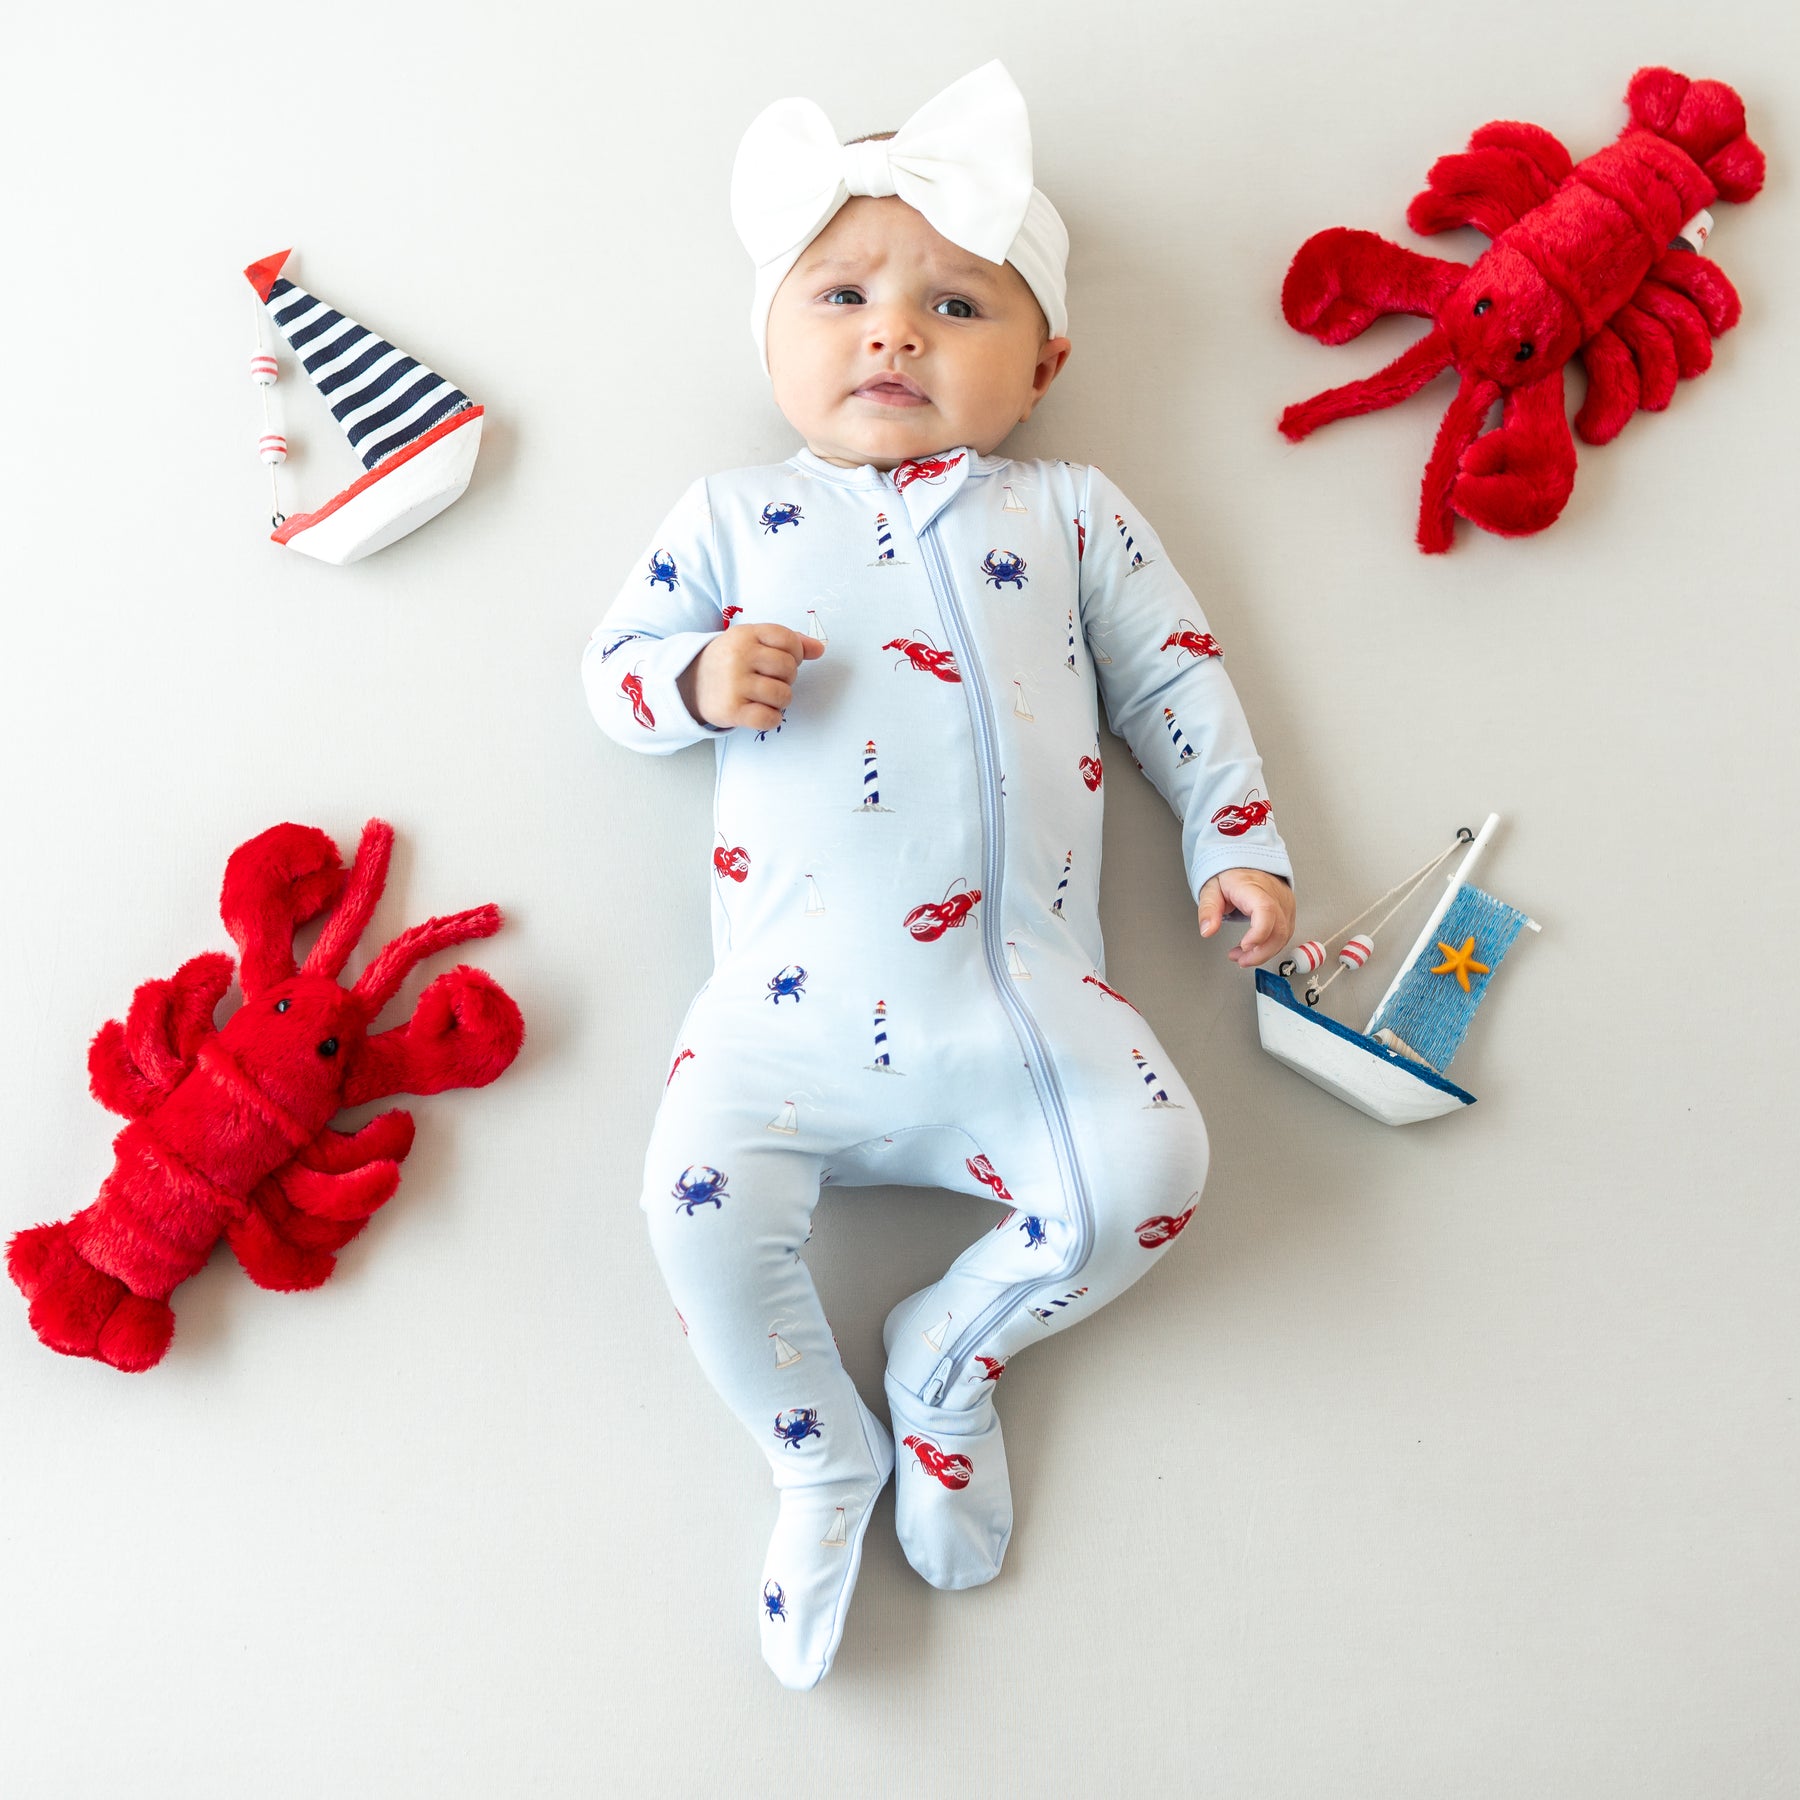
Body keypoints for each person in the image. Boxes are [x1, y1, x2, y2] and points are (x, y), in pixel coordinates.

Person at [582, 60, 1295, 1690]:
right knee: (688, 1217)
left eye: (954, 305)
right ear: (772, 340)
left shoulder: (1070, 513)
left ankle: (946, 1360)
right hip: (780, 1022)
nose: (893, 333)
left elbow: (1176, 680)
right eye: (841, 297)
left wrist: (1237, 836)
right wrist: (690, 679)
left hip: (1026, 1010)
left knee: (1156, 1168)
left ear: (1044, 366)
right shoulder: (734, 516)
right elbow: (611, 672)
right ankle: (817, 1457)